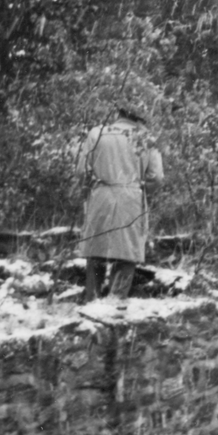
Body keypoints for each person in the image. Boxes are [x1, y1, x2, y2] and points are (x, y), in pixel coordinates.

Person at [76, 106, 164, 303]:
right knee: (126, 254)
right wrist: (140, 187)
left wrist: (93, 187)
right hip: (131, 198)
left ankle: (92, 299)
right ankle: (116, 300)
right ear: (141, 117)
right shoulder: (146, 138)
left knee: (96, 253)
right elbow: (156, 177)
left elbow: (82, 171)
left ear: (118, 113)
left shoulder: (97, 133)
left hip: (101, 195)